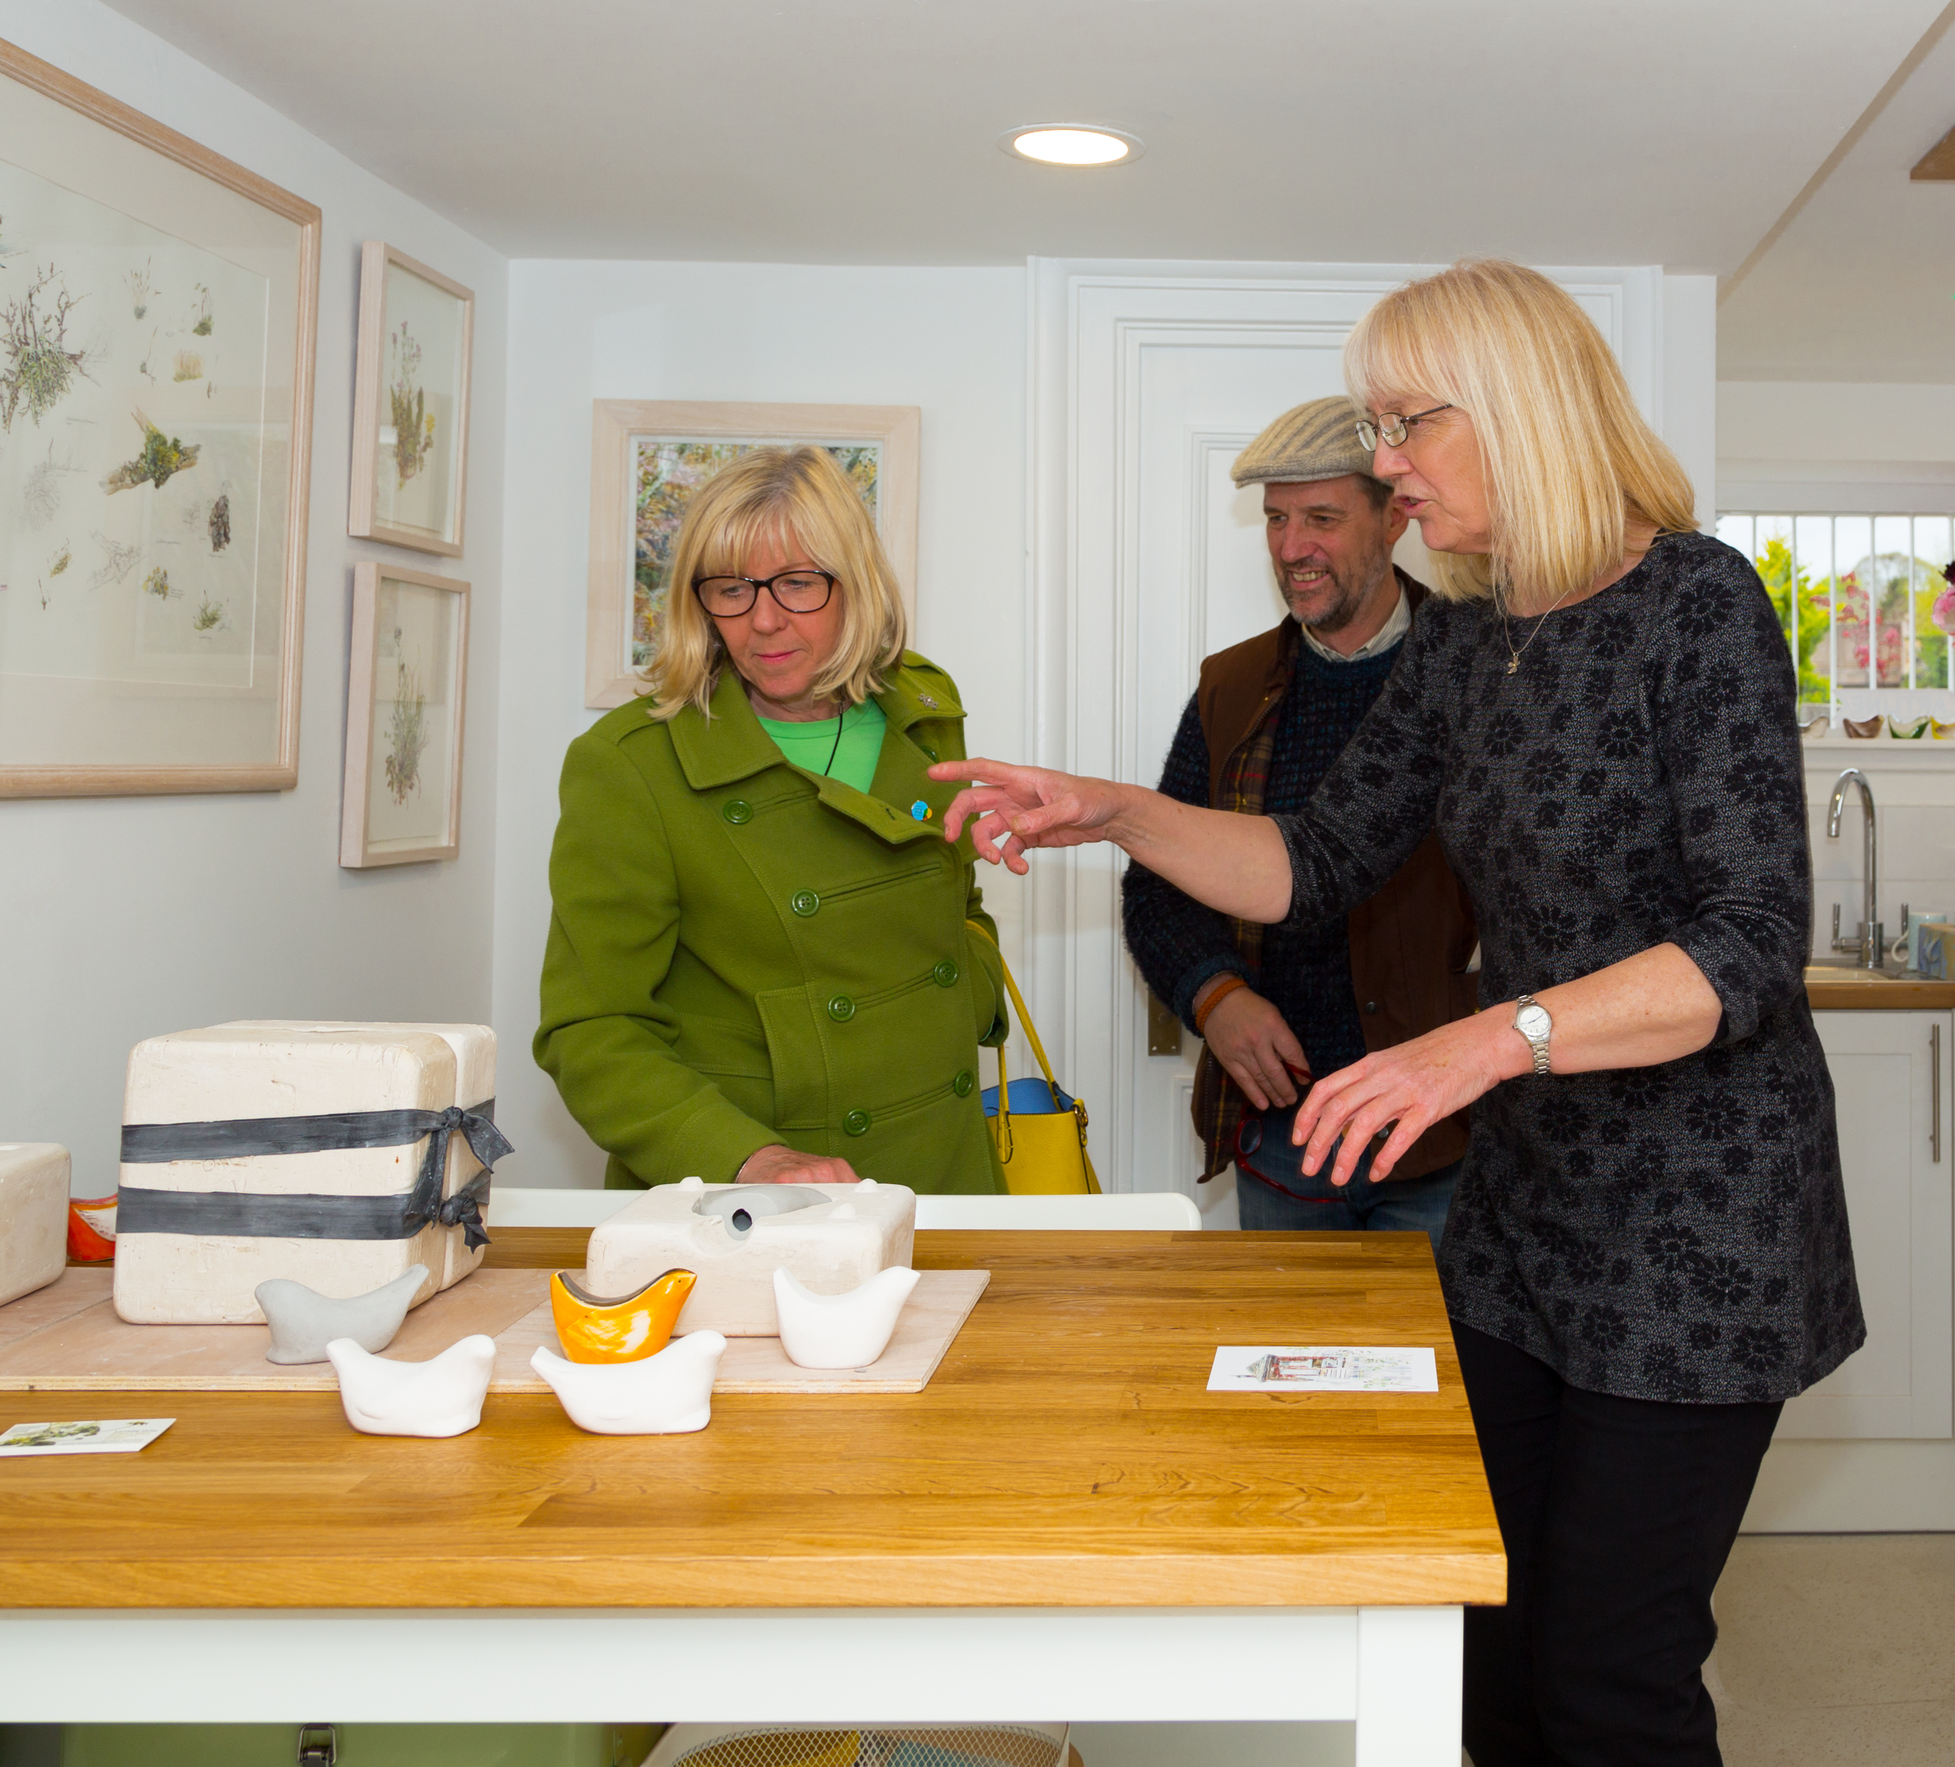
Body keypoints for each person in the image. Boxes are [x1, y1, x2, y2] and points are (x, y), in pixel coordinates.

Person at [933, 260, 1862, 1767]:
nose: (1382, 465)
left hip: (1699, 1218)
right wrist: (1111, 810)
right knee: (1484, 1640)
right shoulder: (1463, 644)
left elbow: (1750, 944)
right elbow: (1307, 863)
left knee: (1612, 1676)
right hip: (1528, 1209)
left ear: (1520, 409)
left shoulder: (1697, 603)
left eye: (1402, 424)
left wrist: (1487, 1036)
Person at [536, 444, 1006, 1192]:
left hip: (941, 1171)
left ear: (855, 585)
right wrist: (748, 1159)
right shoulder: (632, 763)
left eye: (797, 584)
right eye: (731, 589)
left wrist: (970, 984)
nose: (762, 621)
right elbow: (593, 1029)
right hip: (751, 1198)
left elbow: (960, 901)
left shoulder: (923, 705)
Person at [1121, 397, 1479, 1239]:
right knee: (1286, 1370)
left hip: (1454, 1137)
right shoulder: (1231, 688)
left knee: (1452, 1372)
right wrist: (1214, 999)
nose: (1291, 548)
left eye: (1321, 517)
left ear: (1395, 517)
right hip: (1285, 1137)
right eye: (1277, 520)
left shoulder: (1481, 669)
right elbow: (1156, 889)